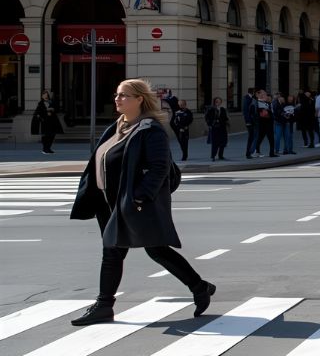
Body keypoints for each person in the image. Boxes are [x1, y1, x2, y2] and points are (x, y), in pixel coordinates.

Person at [67, 78, 215, 326]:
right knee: (112, 252)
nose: (117, 99)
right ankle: (104, 305)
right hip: (108, 203)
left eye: (124, 95)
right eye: (116, 94)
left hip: (132, 202)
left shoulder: (150, 129)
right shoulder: (117, 127)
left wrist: (140, 197)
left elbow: (159, 168)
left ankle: (200, 287)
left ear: (139, 99)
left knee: (156, 249)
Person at [34, 90, 64, 155]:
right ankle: (45, 149)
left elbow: (56, 109)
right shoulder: (40, 103)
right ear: (42, 96)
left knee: (52, 135)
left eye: (46, 94)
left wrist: (53, 110)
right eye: (44, 94)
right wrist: (46, 111)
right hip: (44, 122)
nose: (45, 95)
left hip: (52, 121)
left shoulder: (51, 102)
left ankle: (48, 148)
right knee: (45, 135)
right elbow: (38, 112)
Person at [253, 89, 278, 158]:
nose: (266, 96)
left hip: (269, 123)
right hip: (263, 123)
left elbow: (271, 113)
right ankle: (257, 151)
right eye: (264, 94)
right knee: (260, 138)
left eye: (265, 94)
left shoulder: (268, 103)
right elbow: (262, 113)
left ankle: (271, 153)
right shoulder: (258, 103)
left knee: (270, 138)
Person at [204, 97, 229, 161]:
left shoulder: (222, 109)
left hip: (222, 128)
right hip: (215, 127)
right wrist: (210, 124)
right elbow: (207, 118)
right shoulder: (211, 109)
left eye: (219, 101)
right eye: (216, 101)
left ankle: (221, 155)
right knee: (215, 143)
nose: (218, 103)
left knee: (223, 142)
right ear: (214, 102)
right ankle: (213, 156)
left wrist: (226, 121)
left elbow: (225, 117)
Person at [242, 87, 258, 159]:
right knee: (251, 137)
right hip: (250, 121)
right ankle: (248, 153)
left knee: (253, 136)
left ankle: (250, 152)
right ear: (253, 92)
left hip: (253, 120)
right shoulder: (246, 98)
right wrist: (248, 121)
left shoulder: (252, 99)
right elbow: (245, 111)